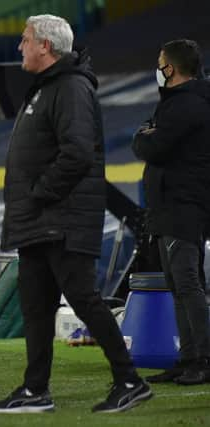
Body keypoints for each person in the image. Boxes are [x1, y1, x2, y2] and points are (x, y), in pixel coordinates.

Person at [0, 14, 152, 414]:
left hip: (61, 218)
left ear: (45, 45)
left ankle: (130, 380)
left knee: (84, 299)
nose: (20, 47)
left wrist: (41, 193)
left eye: (25, 40)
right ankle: (35, 390)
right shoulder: (47, 87)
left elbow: (77, 153)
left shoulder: (71, 88)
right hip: (40, 221)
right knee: (36, 306)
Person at [132, 39, 210, 385]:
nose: (158, 69)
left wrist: (147, 136)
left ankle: (204, 359)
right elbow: (150, 139)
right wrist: (148, 135)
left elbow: (153, 145)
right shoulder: (181, 103)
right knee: (179, 286)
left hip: (182, 205)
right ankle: (190, 356)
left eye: (160, 63)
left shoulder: (186, 105)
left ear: (171, 69)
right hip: (172, 205)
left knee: (188, 284)